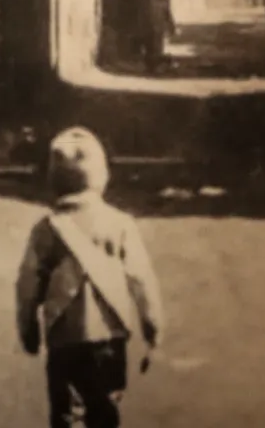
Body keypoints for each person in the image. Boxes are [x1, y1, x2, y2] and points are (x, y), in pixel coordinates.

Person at [16, 126, 165, 428]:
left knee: (68, 413)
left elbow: (28, 285)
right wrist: (153, 329)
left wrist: (28, 327)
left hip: (64, 337)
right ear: (101, 176)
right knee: (105, 407)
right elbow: (141, 279)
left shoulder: (46, 229)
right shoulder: (120, 224)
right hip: (110, 336)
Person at [137, 0, 177, 74]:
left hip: (158, 27)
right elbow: (140, 14)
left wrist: (171, 26)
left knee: (157, 47)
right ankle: (150, 67)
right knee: (149, 47)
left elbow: (167, 13)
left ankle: (154, 67)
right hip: (148, 27)